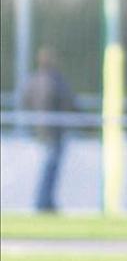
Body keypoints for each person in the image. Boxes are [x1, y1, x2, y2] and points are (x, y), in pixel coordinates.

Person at [22, 46, 76, 213]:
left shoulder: (33, 80)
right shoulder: (55, 81)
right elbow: (69, 102)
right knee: (49, 169)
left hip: (41, 132)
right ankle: (43, 202)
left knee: (48, 168)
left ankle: (44, 201)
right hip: (54, 132)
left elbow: (25, 102)